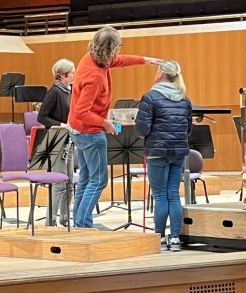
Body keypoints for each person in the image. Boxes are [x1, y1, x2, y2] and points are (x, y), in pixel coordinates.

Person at [68, 26, 161, 229]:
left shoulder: (90, 57)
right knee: (99, 181)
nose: (120, 50)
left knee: (85, 178)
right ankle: (83, 225)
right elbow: (81, 112)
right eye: (119, 46)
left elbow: (119, 60)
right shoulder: (95, 76)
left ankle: (79, 224)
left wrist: (144, 59)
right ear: (109, 48)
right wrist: (105, 123)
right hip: (89, 133)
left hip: (77, 130)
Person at [135, 60, 192, 251]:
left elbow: (142, 130)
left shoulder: (150, 97)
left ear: (161, 73)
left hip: (157, 152)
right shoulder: (184, 99)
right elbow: (188, 128)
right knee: (173, 195)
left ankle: (159, 238)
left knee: (159, 196)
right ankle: (175, 238)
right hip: (179, 152)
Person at [38, 58, 75, 226]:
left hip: (69, 140)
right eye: (71, 72)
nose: (74, 75)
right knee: (59, 183)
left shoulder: (71, 90)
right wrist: (62, 125)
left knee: (68, 184)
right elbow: (42, 117)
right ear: (62, 75)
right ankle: (50, 221)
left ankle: (65, 219)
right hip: (56, 140)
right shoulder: (53, 92)